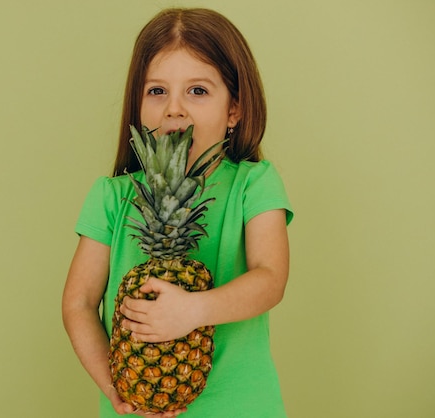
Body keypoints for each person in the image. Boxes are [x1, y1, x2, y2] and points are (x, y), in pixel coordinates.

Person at [63, 7, 293, 418]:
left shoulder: (254, 184)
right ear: (138, 106)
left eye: (198, 91)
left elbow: (270, 279)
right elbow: (79, 302)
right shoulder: (111, 196)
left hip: (240, 408)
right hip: (134, 407)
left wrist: (193, 310)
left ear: (234, 111)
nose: (174, 109)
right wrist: (116, 388)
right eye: (156, 91)